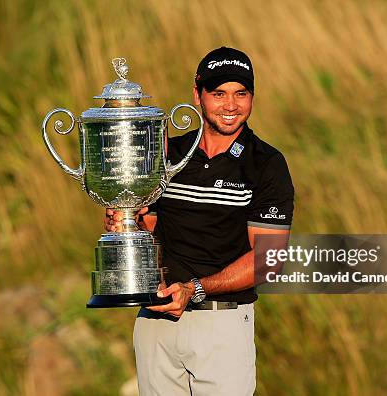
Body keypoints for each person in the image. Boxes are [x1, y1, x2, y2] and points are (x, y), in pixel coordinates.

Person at [104, 47, 294, 395]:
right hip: (156, 323)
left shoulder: (266, 163)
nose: (231, 105)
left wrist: (195, 289)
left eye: (241, 93)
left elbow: (269, 260)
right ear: (197, 94)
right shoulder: (166, 155)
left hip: (221, 325)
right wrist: (126, 222)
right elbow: (148, 230)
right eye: (218, 93)